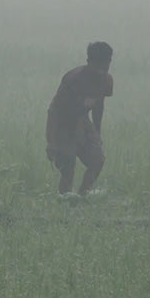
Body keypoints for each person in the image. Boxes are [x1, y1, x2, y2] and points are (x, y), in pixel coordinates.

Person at [46, 42, 113, 195]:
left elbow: (98, 105)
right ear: (89, 62)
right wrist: (51, 141)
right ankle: (65, 201)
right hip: (62, 120)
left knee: (97, 160)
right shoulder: (73, 80)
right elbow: (55, 111)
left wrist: (97, 132)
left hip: (81, 119)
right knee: (67, 166)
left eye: (105, 67)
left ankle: (83, 195)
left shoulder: (107, 81)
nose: (101, 72)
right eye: (98, 67)